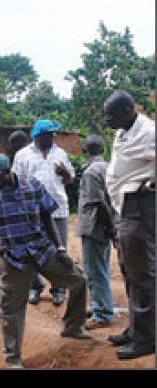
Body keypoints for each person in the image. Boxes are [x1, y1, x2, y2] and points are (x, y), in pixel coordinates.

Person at [0, 153, 90, 368]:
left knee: (79, 279)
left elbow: (48, 217)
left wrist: (61, 248)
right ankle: (13, 359)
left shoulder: (32, 186)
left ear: (8, 173)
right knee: (11, 308)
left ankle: (73, 327)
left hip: (42, 250)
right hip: (14, 258)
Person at [103, 90, 155, 360]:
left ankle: (146, 339)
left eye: (110, 115)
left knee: (142, 274)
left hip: (140, 206)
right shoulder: (122, 132)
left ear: (126, 110)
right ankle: (136, 330)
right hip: (122, 207)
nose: (106, 121)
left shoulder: (149, 132)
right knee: (128, 270)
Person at [12, 119, 74, 306]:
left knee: (60, 251)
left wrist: (65, 173)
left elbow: (70, 180)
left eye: (54, 133)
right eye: (50, 134)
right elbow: (16, 182)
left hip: (58, 210)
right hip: (33, 213)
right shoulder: (23, 155)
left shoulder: (60, 153)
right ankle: (35, 287)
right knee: (31, 251)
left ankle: (59, 288)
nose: (54, 136)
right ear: (39, 136)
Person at [77, 135, 115, 330]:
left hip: (95, 227)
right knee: (101, 267)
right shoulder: (107, 167)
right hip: (104, 226)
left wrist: (110, 227)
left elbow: (99, 203)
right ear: (102, 149)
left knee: (95, 271)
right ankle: (101, 305)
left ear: (85, 150)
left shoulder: (91, 172)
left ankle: (102, 313)